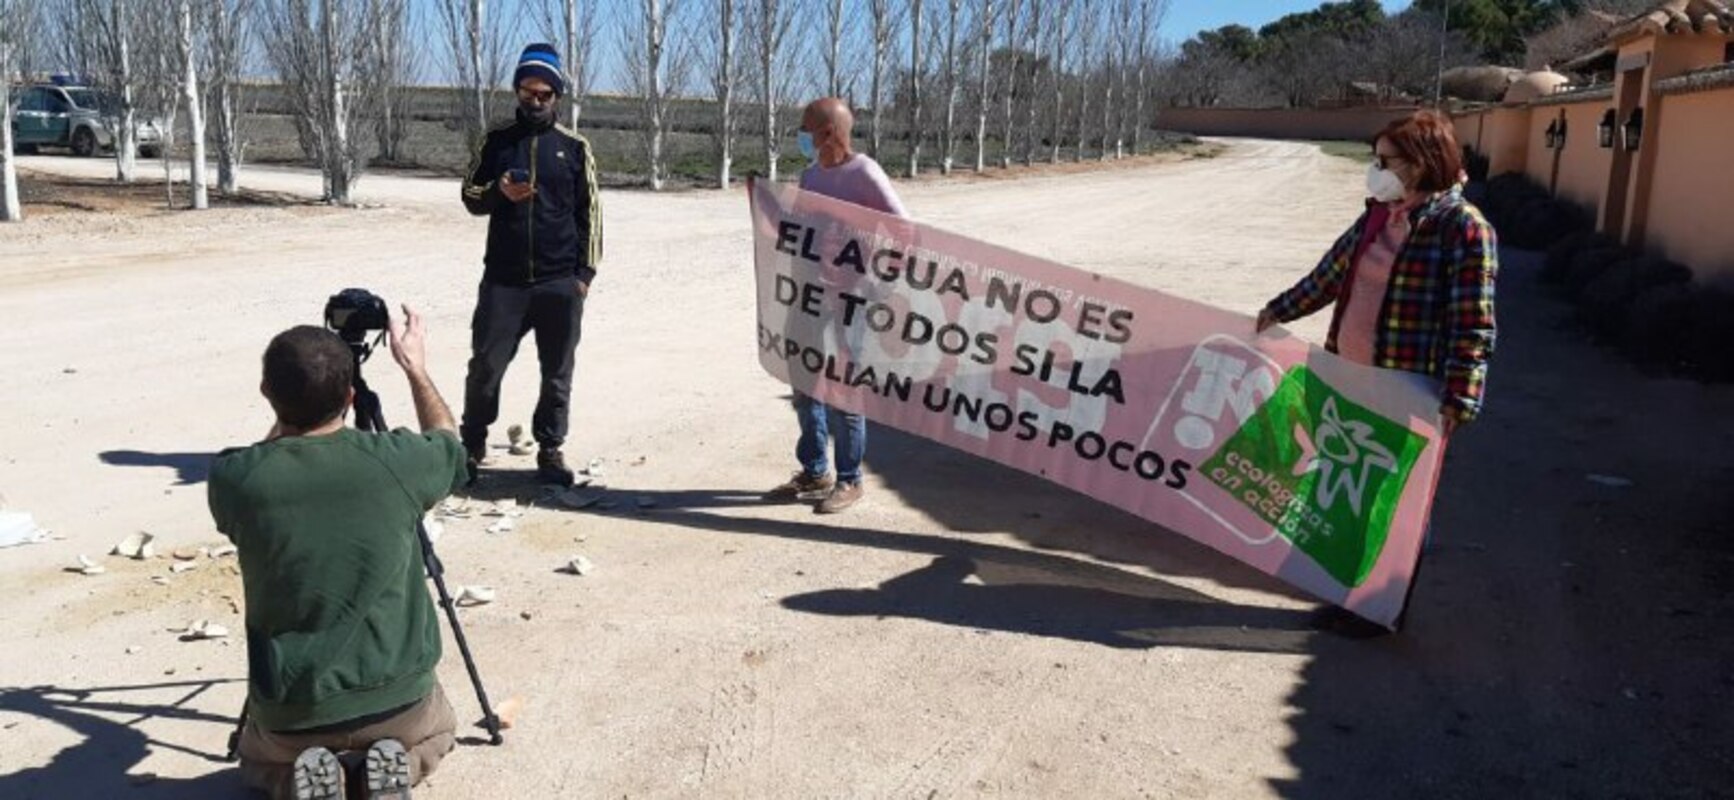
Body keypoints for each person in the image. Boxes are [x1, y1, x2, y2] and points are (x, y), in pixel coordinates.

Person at [209, 307, 468, 800]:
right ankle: (397, 767)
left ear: (267, 394)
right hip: (400, 706)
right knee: (441, 730)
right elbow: (450, 446)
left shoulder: (237, 479)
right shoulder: (399, 462)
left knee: (256, 759)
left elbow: (259, 459)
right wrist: (414, 368)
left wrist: (289, 410)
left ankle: (298, 778)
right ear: (351, 398)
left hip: (294, 713)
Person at [1255, 110, 1497, 634]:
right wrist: (1278, 311)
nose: (1376, 169)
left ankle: (1383, 605)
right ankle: (1350, 594)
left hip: (1412, 390)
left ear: (1420, 163)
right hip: (1351, 378)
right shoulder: (1377, 217)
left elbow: (1472, 325)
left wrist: (1460, 398)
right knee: (1348, 488)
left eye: (1385, 161)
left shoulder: (1464, 230)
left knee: (1397, 502)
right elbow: (1329, 277)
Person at [459, 42, 602, 486]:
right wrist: (499, 191)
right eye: (528, 93)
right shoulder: (497, 141)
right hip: (504, 281)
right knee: (485, 366)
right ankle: (472, 442)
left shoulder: (574, 148)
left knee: (557, 373)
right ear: (517, 92)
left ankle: (551, 449)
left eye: (545, 94)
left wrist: (584, 276)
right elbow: (469, 196)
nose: (536, 102)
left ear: (557, 97)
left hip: (560, 282)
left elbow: (590, 214)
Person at [763, 97, 910, 514]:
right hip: (807, 296)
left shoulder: (864, 173)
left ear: (828, 133)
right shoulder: (811, 175)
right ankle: (814, 469)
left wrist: (880, 281)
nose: (801, 135)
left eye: (806, 128)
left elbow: (906, 229)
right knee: (804, 386)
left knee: (844, 392)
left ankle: (850, 479)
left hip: (848, 301)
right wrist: (767, 204)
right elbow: (800, 230)